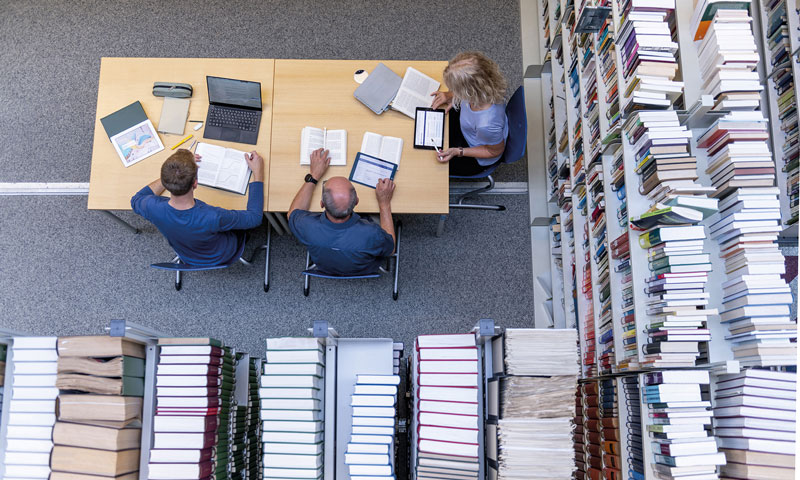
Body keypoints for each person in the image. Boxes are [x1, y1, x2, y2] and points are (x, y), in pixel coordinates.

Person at [131, 148, 264, 266]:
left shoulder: (152, 207)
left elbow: (135, 199)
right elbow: (255, 218)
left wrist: (173, 175)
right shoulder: (212, 216)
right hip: (221, 254)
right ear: (195, 183)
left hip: (186, 254)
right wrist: (258, 173)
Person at [288, 147, 396, 276]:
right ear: (356, 201)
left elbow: (293, 213)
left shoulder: (307, 226)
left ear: (321, 204)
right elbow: (391, 249)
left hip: (324, 266)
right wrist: (384, 204)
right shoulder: (372, 233)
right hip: (363, 267)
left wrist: (314, 175)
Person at [430, 51, 509, 176]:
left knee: (430, 164)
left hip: (474, 153)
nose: (451, 90)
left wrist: (458, 151)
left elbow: (494, 152)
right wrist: (449, 96)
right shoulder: (488, 85)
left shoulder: (486, 125)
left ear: (468, 93)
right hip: (469, 125)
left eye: (454, 89)